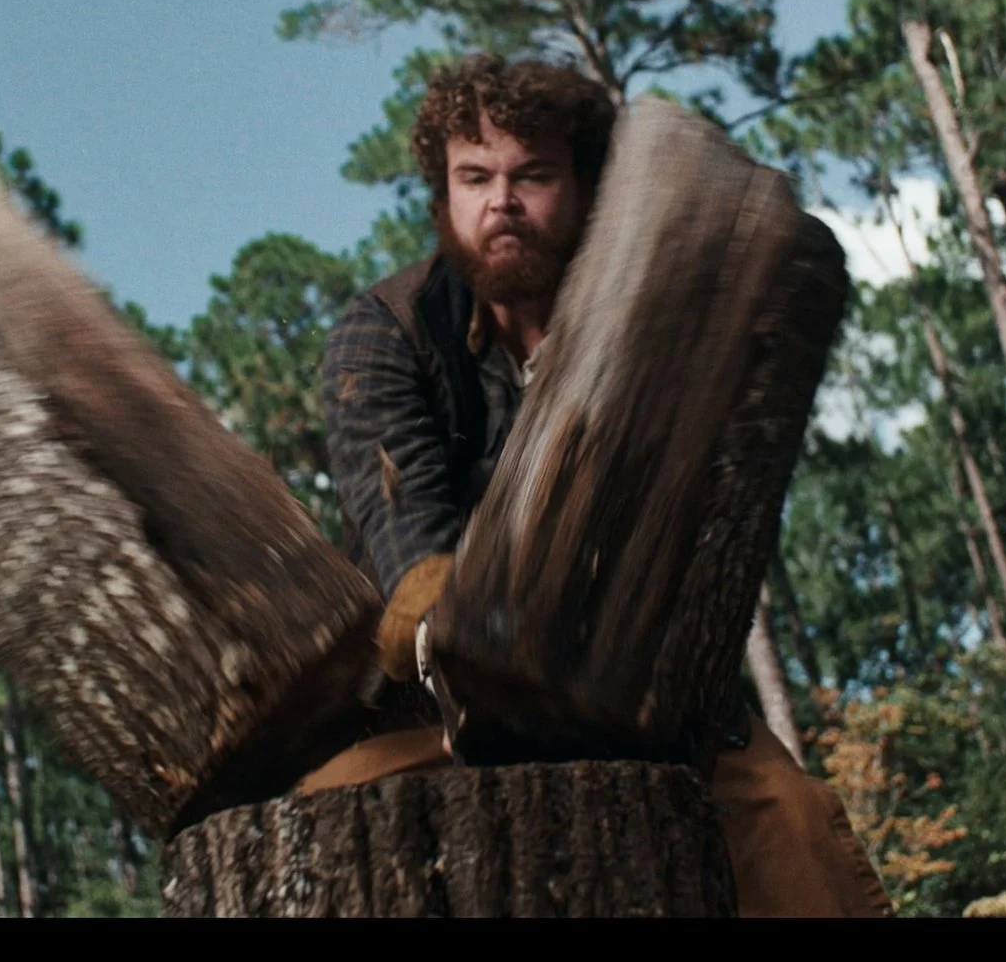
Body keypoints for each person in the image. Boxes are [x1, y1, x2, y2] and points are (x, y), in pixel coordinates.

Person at [305, 53, 891, 918]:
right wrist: (447, 638)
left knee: (796, 829)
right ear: (443, 196)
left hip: (651, 711)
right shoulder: (386, 332)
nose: (501, 200)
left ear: (581, 186)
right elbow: (402, 524)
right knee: (327, 823)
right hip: (427, 715)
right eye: (475, 177)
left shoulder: (656, 323)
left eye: (531, 174)